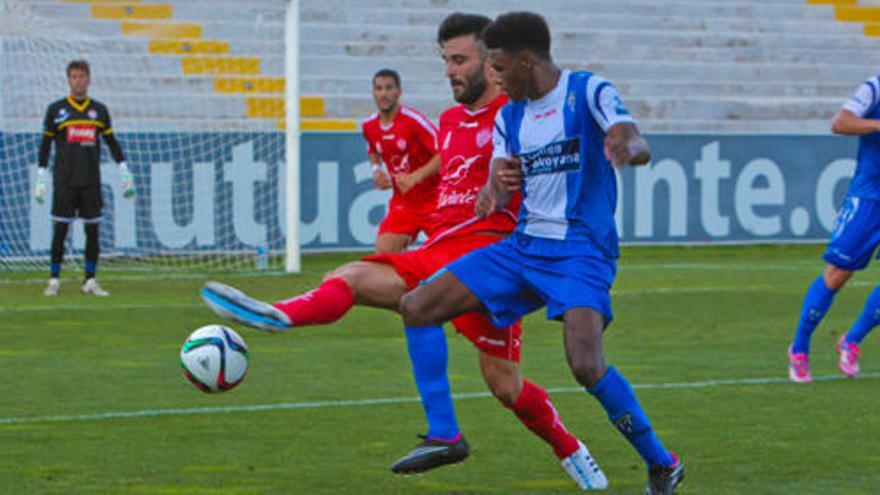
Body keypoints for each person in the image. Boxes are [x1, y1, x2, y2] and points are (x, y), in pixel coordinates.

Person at [201, 12, 608, 490]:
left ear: (494, 64)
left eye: (460, 60)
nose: (449, 71)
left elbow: (561, 168)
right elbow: (448, 178)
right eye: (445, 61)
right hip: (440, 247)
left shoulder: (517, 116)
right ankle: (572, 454)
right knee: (504, 383)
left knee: (365, 284)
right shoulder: (451, 120)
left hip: (487, 256)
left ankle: (445, 431)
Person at [397, 12, 684, 494]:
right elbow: (500, 183)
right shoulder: (510, 116)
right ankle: (445, 435)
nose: (496, 79)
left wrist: (627, 145)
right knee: (418, 306)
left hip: (580, 253)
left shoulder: (587, 91)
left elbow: (633, 138)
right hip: (523, 248)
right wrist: (495, 191)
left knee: (586, 365)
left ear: (527, 61)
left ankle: (662, 462)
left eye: (502, 69)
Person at [787, 74, 880, 382]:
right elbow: (841, 123)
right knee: (839, 274)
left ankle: (852, 340)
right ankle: (799, 347)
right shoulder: (874, 88)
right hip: (869, 197)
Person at [36, 59, 135, 297]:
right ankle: (54, 280)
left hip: (90, 181)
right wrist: (41, 176)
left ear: (89, 79)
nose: (78, 81)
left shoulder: (98, 110)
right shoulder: (56, 110)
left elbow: (111, 142)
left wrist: (123, 169)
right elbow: (46, 145)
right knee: (60, 230)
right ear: (68, 79)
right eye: (74, 77)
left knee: (93, 232)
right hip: (65, 181)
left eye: (82, 76)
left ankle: (90, 280)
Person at [361, 68, 441, 254]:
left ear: (399, 91)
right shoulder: (369, 126)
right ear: (373, 92)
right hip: (404, 204)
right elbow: (373, 149)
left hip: (435, 199)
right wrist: (376, 170)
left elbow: (444, 154)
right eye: (379, 88)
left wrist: (415, 177)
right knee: (382, 255)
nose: (384, 94)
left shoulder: (413, 121)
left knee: (449, 260)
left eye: (389, 88)